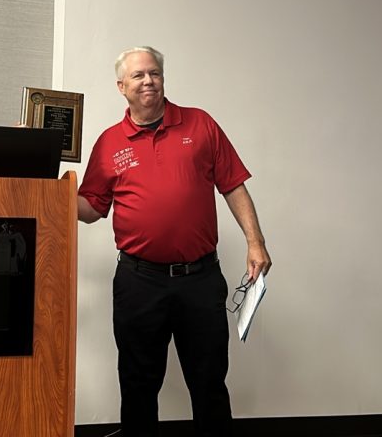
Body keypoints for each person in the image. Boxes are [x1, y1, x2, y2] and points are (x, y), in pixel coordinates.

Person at [77, 46, 272, 437]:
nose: (148, 81)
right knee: (137, 384)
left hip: (199, 280)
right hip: (138, 282)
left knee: (209, 383)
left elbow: (233, 185)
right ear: (121, 87)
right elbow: (93, 208)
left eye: (154, 73)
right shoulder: (110, 143)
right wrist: (53, 191)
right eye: (138, 76)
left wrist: (256, 242)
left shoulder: (200, 125)